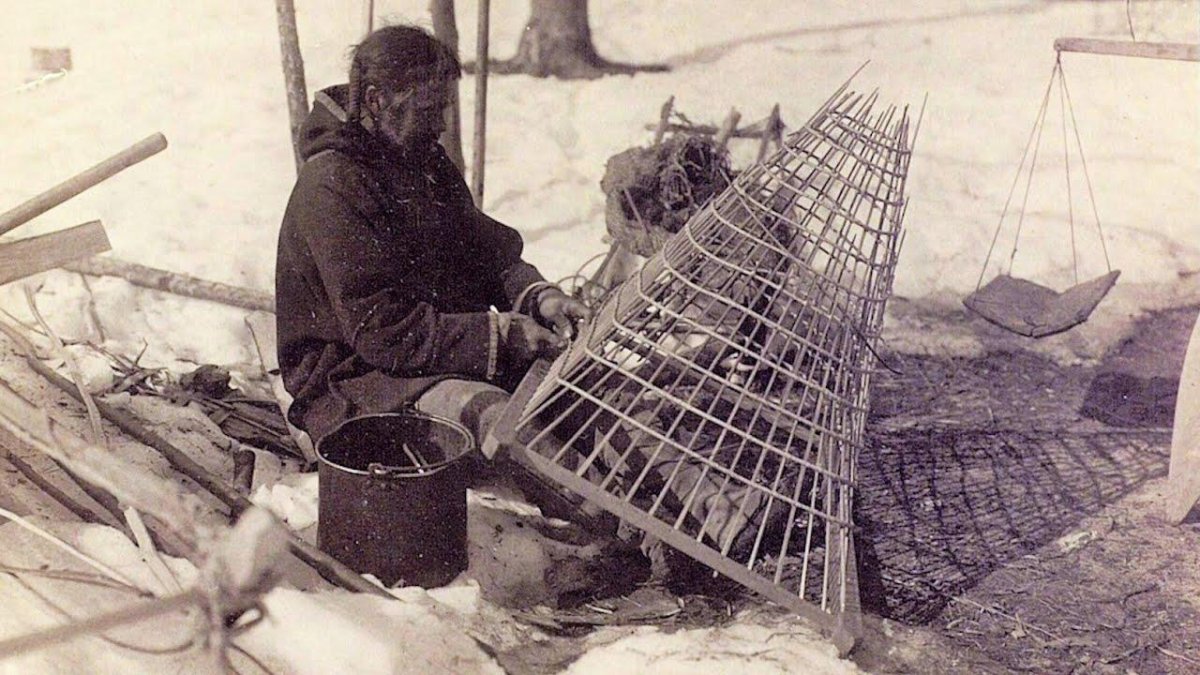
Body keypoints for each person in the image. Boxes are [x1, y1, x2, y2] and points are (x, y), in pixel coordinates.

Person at [274, 26, 592, 513]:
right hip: (360, 383)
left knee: (580, 391)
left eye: (444, 107)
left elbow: (487, 251)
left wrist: (538, 296)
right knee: (503, 420)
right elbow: (382, 331)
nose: (442, 124)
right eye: (429, 110)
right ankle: (628, 529)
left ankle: (720, 518)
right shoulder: (332, 185)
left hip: (430, 354)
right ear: (378, 101)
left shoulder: (422, 162)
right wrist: (501, 335)